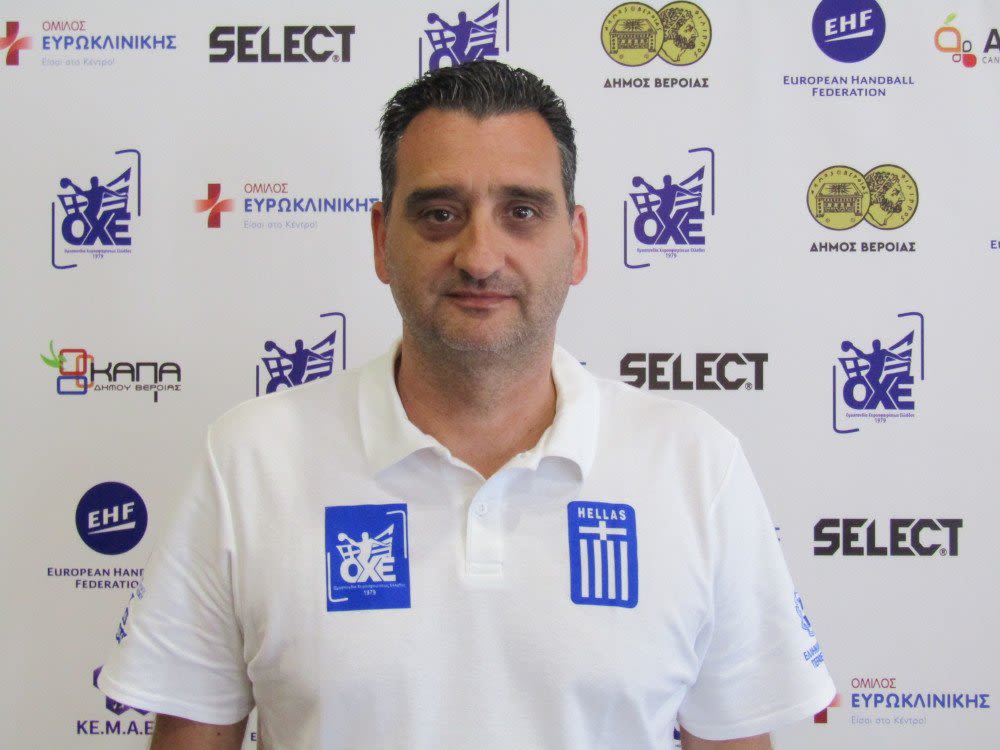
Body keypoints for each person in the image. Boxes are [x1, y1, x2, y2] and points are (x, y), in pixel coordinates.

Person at [99, 60, 835, 749]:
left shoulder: (695, 466)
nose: (480, 257)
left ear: (576, 243)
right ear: (381, 241)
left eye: (522, 211)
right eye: (440, 214)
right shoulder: (250, 460)